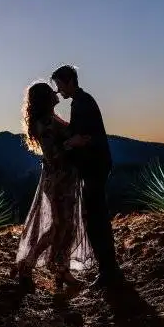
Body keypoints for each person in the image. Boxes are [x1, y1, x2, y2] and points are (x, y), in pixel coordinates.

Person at [12, 81, 93, 292]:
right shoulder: (44, 123)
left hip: (64, 179)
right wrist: (72, 143)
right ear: (45, 98)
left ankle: (57, 268)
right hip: (58, 180)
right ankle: (35, 265)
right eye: (51, 91)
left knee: (66, 226)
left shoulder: (50, 119)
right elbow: (52, 155)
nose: (56, 92)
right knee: (60, 226)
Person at [51, 65, 124, 289]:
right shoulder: (81, 101)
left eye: (60, 85)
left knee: (96, 220)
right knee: (96, 217)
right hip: (95, 167)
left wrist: (68, 143)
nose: (58, 91)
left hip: (94, 168)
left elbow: (83, 138)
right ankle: (108, 269)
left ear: (70, 81)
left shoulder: (82, 103)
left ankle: (108, 272)